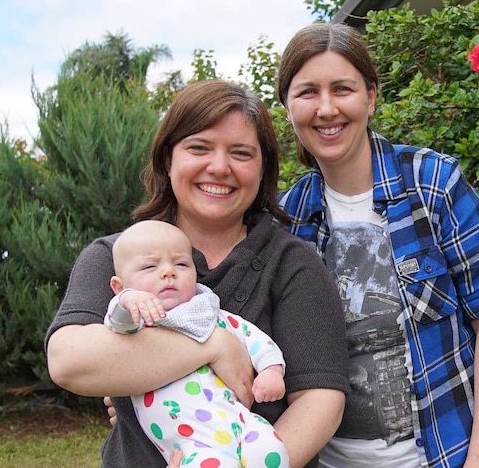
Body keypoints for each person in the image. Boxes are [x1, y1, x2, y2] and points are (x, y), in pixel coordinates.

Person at [45, 79, 350, 468]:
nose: (219, 167)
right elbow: (70, 361)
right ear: (168, 158)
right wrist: (213, 345)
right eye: (198, 148)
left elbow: (320, 399)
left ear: (263, 169)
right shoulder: (114, 255)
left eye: (241, 153)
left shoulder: (293, 263)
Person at [275, 22, 479, 468]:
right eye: (308, 92)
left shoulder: (434, 185)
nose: (326, 108)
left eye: (342, 89)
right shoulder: (286, 219)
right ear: (288, 106)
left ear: (370, 96)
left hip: (448, 454)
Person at [103, 219, 289, 467]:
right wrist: (128, 299)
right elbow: (116, 323)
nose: (168, 272)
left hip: (240, 422)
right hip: (192, 444)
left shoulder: (211, 314)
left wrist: (271, 371)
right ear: (119, 286)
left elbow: (254, 338)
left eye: (181, 264)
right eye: (149, 266)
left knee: (271, 450)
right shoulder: (137, 321)